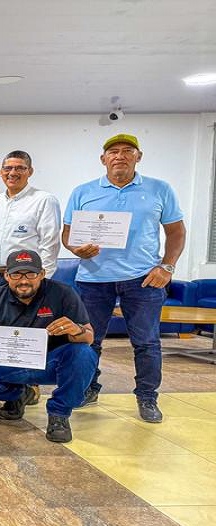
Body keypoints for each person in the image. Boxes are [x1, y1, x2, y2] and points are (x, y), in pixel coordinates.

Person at [63, 134, 186, 422]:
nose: (120, 156)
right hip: (94, 279)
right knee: (88, 340)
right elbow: (68, 233)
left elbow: (176, 232)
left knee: (146, 342)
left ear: (138, 157)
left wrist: (167, 266)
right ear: (103, 159)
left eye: (127, 151)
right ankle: (87, 387)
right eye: (113, 152)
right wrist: (74, 248)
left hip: (143, 279)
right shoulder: (83, 192)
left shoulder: (159, 189)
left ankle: (147, 397)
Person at [0, 250, 97, 443]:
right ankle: (18, 394)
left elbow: (89, 337)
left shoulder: (63, 294)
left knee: (84, 353)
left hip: (50, 364)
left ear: (41, 274)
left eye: (30, 274)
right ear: (6, 275)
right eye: (16, 274)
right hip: (10, 364)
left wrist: (76, 330)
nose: (24, 280)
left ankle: (59, 414)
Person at [0, 150, 61, 292]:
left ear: (30, 171)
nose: (12, 173)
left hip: (24, 277)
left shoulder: (44, 200)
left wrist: (43, 279)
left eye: (20, 168)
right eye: (8, 168)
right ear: (1, 172)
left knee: (25, 315)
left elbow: (50, 244)